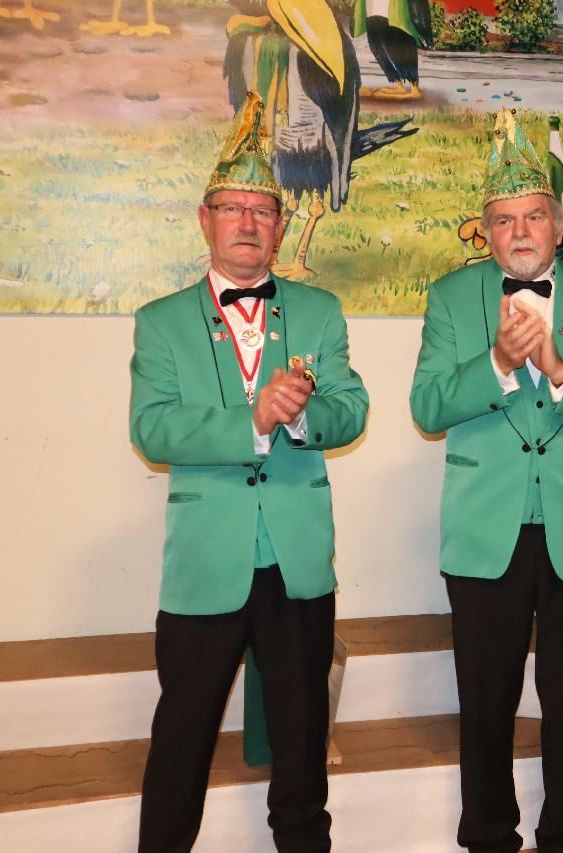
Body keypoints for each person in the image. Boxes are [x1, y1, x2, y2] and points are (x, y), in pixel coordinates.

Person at [129, 92, 369, 852]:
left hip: (297, 560)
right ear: (205, 220)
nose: (248, 222)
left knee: (301, 744)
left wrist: (300, 417)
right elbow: (152, 428)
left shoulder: (321, 311)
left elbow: (352, 410)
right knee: (183, 737)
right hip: (207, 563)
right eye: (232, 209)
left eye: (263, 210)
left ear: (281, 225)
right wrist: (253, 420)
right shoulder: (160, 321)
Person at [410, 110, 563, 853]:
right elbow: (427, 407)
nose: (520, 231)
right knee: (485, 704)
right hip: (484, 530)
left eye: (534, 216)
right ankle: (488, 837)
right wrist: (497, 365)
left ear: (559, 222)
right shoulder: (451, 299)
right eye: (504, 219)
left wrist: (559, 368)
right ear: (485, 232)